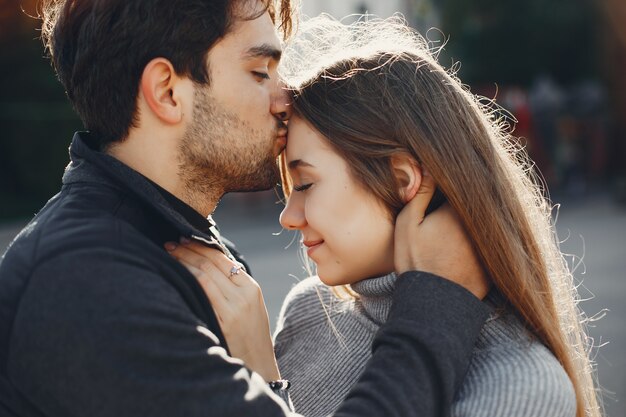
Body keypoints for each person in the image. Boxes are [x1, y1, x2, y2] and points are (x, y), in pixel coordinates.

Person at [0, 2, 490, 417]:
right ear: (168, 91)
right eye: (260, 72)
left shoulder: (188, 247)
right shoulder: (88, 286)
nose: (286, 98)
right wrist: (436, 302)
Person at [169, 16, 602, 417]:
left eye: (304, 185)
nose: (288, 217)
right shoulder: (310, 310)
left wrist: (259, 374)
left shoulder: (521, 381)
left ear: (402, 179)